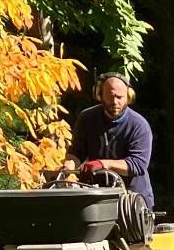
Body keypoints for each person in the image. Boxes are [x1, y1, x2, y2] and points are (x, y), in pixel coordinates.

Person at [63, 72, 154, 208]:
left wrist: (103, 164)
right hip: (98, 197)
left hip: (132, 201)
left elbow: (138, 165)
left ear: (129, 97)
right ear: (99, 95)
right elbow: (76, 152)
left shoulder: (139, 125)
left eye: (119, 97)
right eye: (110, 96)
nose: (115, 102)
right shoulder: (86, 118)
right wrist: (69, 166)